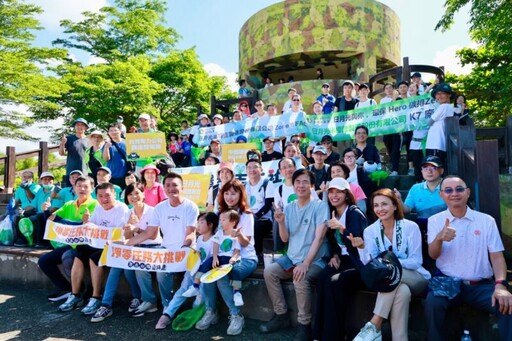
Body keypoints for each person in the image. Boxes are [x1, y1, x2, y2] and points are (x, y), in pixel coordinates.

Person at [425, 176, 512, 340]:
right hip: (448, 283)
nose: (454, 194)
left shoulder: (486, 221)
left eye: (459, 189)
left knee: (507, 305)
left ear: (468, 193)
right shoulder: (435, 220)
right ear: (441, 195)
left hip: (480, 285)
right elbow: (433, 255)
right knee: (432, 304)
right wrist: (439, 238)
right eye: (448, 190)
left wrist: (501, 285)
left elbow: (497, 257)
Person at [352, 188, 430, 341]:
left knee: (388, 274)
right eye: (376, 205)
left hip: (416, 277)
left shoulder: (410, 227)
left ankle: (374, 325)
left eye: (384, 204)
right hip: (393, 282)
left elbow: (416, 261)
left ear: (395, 206)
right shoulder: (370, 231)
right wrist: (362, 249)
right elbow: (371, 264)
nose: (380, 209)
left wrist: (389, 264)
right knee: (402, 291)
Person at [260, 169, 329, 341]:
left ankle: (304, 324)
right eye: (297, 182)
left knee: (300, 278)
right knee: (269, 272)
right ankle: (281, 315)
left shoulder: (320, 206)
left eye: (305, 182)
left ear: (312, 185)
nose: (301, 185)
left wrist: (306, 263)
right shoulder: (289, 207)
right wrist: (281, 222)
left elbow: (319, 238)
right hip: (292, 257)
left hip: (315, 260)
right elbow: (284, 238)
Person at [126, 172, 199, 311]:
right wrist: (125, 244)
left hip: (187, 250)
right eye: (168, 185)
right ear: (164, 188)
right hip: (165, 249)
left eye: (175, 185)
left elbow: (190, 233)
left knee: (162, 272)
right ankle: (164, 304)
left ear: (182, 187)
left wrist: (183, 250)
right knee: (141, 264)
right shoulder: (160, 207)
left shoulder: (191, 206)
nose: (171, 189)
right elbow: (149, 233)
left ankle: (175, 305)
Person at [91, 182, 158, 322]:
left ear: (143, 194)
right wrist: (128, 229)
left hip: (153, 247)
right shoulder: (128, 213)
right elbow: (128, 237)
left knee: (130, 268)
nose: (134, 197)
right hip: (134, 247)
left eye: (137, 193)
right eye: (130, 194)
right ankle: (106, 305)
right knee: (119, 265)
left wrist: (136, 229)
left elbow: (152, 235)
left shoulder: (153, 211)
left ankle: (138, 297)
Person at [197, 179, 257, 336]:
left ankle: (236, 314)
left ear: (241, 194)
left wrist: (239, 234)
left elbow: (245, 243)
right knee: (207, 273)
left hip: (245, 258)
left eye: (234, 193)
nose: (230, 197)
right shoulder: (221, 214)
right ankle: (211, 311)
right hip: (224, 257)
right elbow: (217, 239)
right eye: (226, 193)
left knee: (222, 276)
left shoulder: (246, 215)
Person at [58, 182, 129, 315]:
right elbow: (93, 226)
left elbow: (120, 234)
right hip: (98, 243)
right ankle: (75, 294)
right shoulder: (98, 207)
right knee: (79, 254)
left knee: (93, 258)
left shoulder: (122, 209)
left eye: (107, 195)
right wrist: (87, 222)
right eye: (100, 196)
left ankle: (96, 297)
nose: (104, 199)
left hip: (114, 246)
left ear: (114, 195)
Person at [313, 178, 368, 341]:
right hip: (342, 260)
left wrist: (341, 228)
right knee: (322, 278)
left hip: (357, 263)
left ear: (346, 194)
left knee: (334, 282)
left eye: (338, 192)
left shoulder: (354, 213)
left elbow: (358, 243)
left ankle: (333, 335)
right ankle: (318, 334)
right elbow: (333, 243)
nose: (334, 196)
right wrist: (334, 255)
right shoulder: (332, 213)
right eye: (331, 192)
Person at [39, 176, 98, 302]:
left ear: (92, 189)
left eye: (86, 186)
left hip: (87, 247)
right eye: (79, 186)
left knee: (67, 257)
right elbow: (51, 220)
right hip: (71, 244)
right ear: (74, 188)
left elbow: (84, 227)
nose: (82, 189)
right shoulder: (69, 204)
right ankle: (68, 289)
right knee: (44, 261)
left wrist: (65, 222)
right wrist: (46, 210)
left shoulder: (95, 204)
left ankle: (82, 292)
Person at [155, 212, 216, 330]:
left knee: (202, 293)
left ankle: (198, 313)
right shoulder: (199, 239)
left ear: (210, 225)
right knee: (182, 290)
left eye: (201, 223)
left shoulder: (215, 240)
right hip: (193, 271)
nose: (198, 225)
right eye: (197, 222)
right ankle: (167, 314)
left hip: (205, 274)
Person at [394, 155, 447, 272]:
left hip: (445, 226)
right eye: (425, 168)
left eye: (433, 167)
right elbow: (406, 210)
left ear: (441, 170)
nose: (429, 171)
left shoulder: (448, 186)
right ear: (421, 171)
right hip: (423, 228)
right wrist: (398, 200)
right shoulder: (415, 188)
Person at [183, 210, 241, 300]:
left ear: (233, 222)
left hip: (229, 258)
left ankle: (237, 292)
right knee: (204, 266)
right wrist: (214, 257)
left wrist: (234, 257)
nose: (221, 222)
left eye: (224, 220)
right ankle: (195, 286)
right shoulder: (219, 233)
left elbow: (237, 250)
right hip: (218, 257)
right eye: (220, 220)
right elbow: (216, 245)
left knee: (236, 272)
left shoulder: (236, 234)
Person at [244, 159, 274, 259]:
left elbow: (268, 205)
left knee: (255, 224)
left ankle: (258, 253)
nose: (252, 170)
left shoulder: (267, 183)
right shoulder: (243, 185)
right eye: (249, 167)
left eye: (255, 167)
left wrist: (255, 216)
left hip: (263, 220)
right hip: (247, 218)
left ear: (261, 169)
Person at [426, 83, 454, 166]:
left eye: (442, 93)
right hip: (440, 143)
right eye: (437, 94)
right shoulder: (451, 107)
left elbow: (430, 122)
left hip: (435, 143)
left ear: (449, 95)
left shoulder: (443, 106)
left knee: (433, 166)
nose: (439, 96)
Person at [59, 118, 89, 186]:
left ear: (85, 127)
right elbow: (61, 153)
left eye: (82, 125)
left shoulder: (89, 140)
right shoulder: (69, 139)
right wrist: (63, 143)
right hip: (71, 170)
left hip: (85, 171)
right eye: (77, 125)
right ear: (74, 127)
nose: (79, 127)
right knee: (70, 191)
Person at [102, 123, 128, 189]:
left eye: (115, 130)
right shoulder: (107, 144)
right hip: (112, 175)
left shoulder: (127, 142)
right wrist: (106, 148)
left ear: (120, 131)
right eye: (111, 130)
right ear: (108, 133)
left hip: (126, 175)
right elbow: (106, 159)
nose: (113, 132)